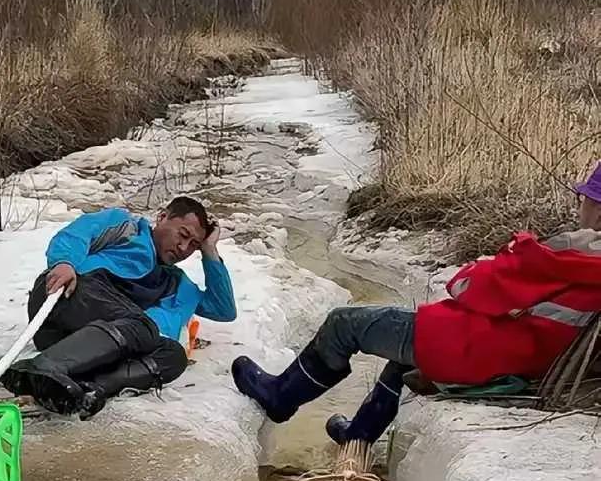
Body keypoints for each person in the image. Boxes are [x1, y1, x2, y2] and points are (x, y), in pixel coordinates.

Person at [232, 163, 601, 445]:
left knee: (343, 323)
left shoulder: (580, 249)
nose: (580, 204)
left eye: (584, 197)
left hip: (479, 350)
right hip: (521, 358)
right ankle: (360, 434)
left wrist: (485, 267)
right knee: (404, 354)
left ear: (598, 210)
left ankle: (281, 397)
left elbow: (469, 286)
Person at [3, 196, 235, 418]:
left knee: (173, 355)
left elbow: (223, 309)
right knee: (142, 326)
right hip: (67, 295)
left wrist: (209, 250)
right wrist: (64, 262)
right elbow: (79, 233)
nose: (184, 247)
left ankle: (90, 389)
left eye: (193, 244)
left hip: (101, 346)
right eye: (182, 234)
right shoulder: (127, 228)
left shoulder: (177, 284)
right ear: (162, 217)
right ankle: (40, 369)